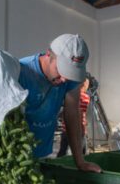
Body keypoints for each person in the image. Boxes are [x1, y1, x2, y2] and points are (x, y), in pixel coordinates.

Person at [18, 34, 101, 173]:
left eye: (70, 74)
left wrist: (80, 161)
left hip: (43, 152)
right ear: (48, 54)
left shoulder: (70, 79)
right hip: (14, 155)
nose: (64, 79)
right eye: (61, 70)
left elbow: (72, 114)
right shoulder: (22, 70)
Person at [57, 78, 90, 157]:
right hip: (79, 129)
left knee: (62, 151)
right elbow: (82, 113)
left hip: (66, 128)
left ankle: (58, 164)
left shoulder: (68, 95)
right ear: (85, 85)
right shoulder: (86, 98)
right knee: (81, 152)